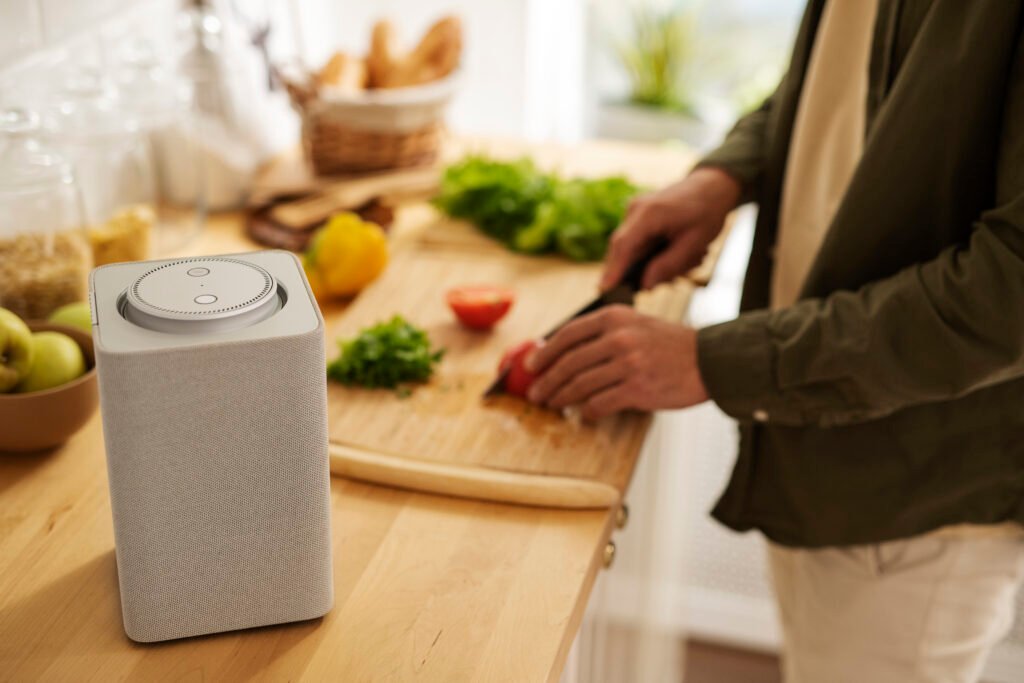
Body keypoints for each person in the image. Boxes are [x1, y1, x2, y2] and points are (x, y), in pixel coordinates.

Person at [525, 1, 1024, 681]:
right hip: (822, 443)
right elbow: (838, 82)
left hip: (914, 506)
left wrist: (718, 360)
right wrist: (726, 174)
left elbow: (1008, 297)